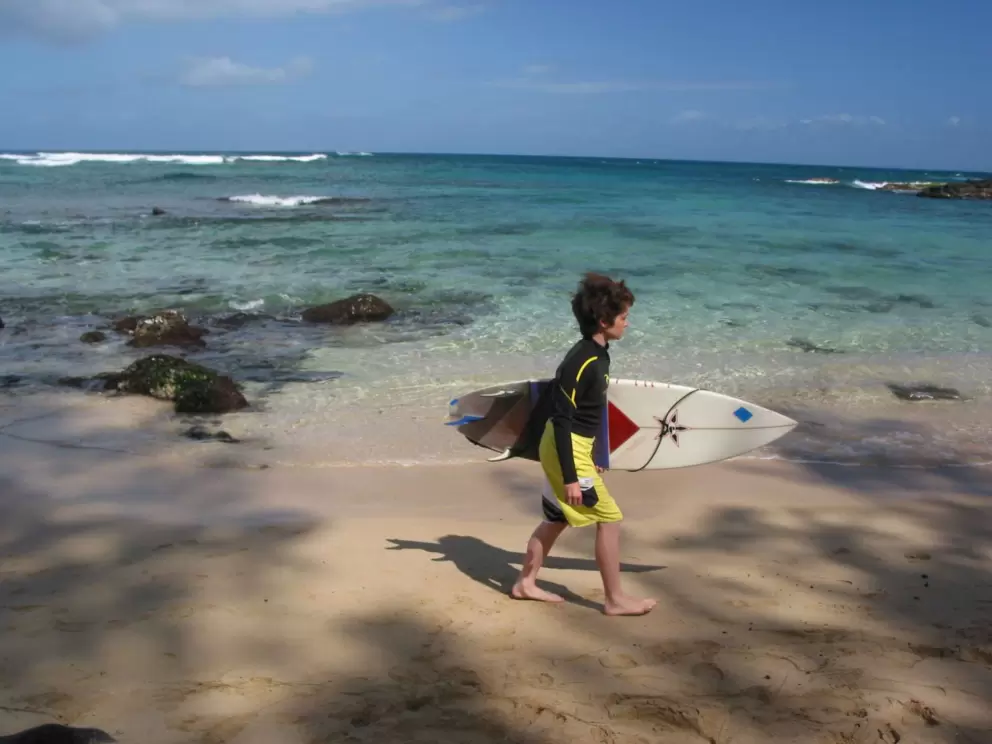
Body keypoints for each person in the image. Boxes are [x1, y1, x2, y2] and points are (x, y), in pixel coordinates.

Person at [511, 272, 657, 616]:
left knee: (557, 518)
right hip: (566, 450)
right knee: (610, 518)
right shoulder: (582, 361)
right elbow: (562, 419)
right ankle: (614, 599)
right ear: (604, 321)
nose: (628, 323)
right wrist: (572, 475)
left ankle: (524, 583)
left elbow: (587, 414)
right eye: (623, 318)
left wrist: (594, 454)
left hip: (574, 448)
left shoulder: (599, 354)